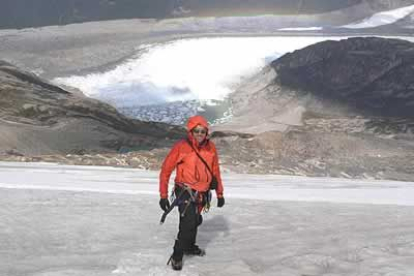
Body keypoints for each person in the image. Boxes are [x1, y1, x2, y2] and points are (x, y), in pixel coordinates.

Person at [159, 115, 225, 271]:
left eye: (203, 131)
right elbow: (166, 171)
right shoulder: (181, 147)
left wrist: (220, 193)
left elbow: (215, 170)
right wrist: (163, 195)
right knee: (188, 223)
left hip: (203, 192)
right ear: (191, 131)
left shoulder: (211, 147)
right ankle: (177, 255)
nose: (200, 134)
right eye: (197, 131)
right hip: (185, 191)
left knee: (195, 220)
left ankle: (188, 246)